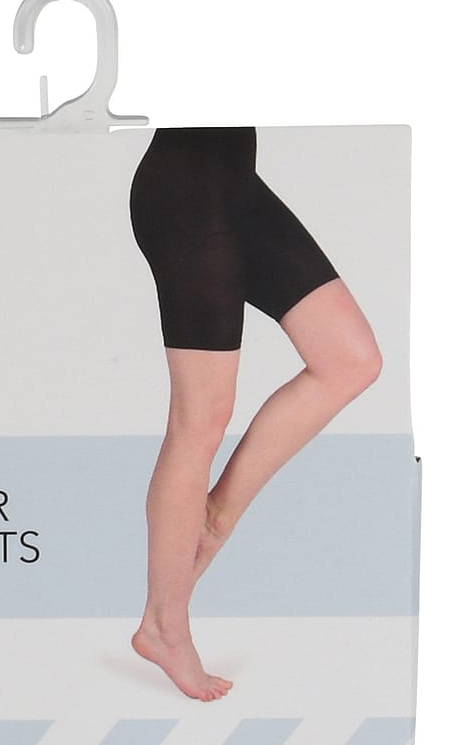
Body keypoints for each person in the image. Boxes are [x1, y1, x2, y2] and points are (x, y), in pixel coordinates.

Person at [128, 127, 382, 702]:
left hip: (235, 187)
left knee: (351, 360)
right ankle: (164, 626)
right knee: (199, 419)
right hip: (188, 193)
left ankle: (214, 519)